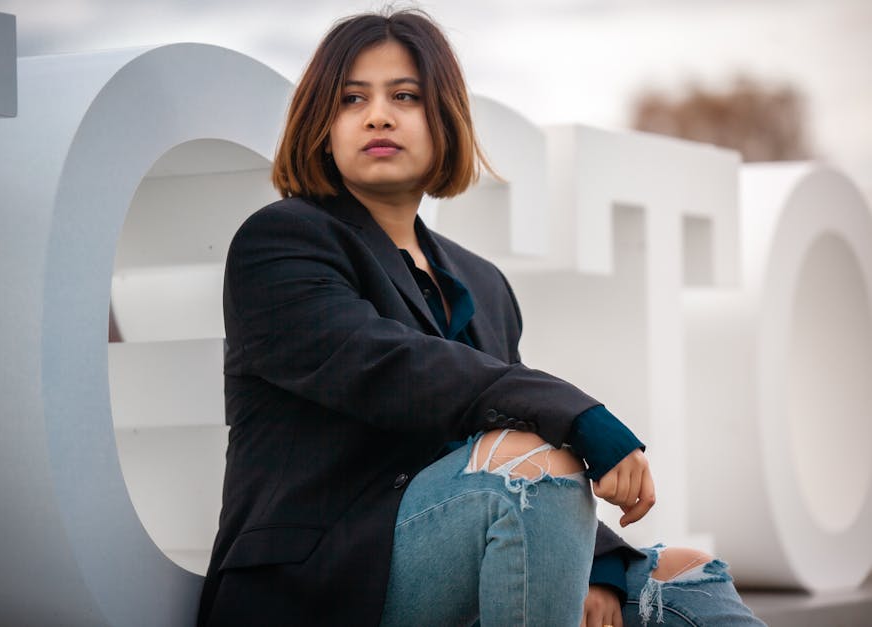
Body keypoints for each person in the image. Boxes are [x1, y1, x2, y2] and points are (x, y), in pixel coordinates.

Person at [198, 9, 765, 627]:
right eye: (352, 98)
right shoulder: (281, 241)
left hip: (452, 545)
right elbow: (387, 368)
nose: (378, 115)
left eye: (406, 96)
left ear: (444, 120)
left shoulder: (482, 284)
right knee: (532, 463)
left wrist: (596, 569)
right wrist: (579, 414)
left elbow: (500, 426)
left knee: (685, 574)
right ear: (321, 125)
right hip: (315, 582)